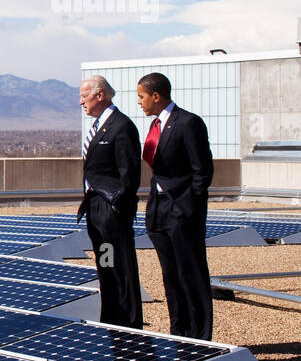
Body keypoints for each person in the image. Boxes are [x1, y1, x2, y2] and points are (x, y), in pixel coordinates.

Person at [137, 72, 214, 340]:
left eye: (141, 97)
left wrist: (187, 208)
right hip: (159, 212)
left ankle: (200, 337)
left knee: (190, 273)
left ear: (156, 96)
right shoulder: (155, 125)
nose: (139, 102)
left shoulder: (188, 123)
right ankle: (179, 332)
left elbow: (202, 171)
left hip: (182, 212)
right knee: (170, 275)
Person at [77, 75, 143, 328]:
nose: (81, 102)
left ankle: (128, 323)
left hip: (111, 211)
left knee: (120, 267)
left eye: (85, 96)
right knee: (106, 265)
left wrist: (116, 207)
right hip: (96, 211)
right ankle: (112, 319)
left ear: (100, 95)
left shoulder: (121, 126)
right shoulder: (100, 127)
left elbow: (129, 173)